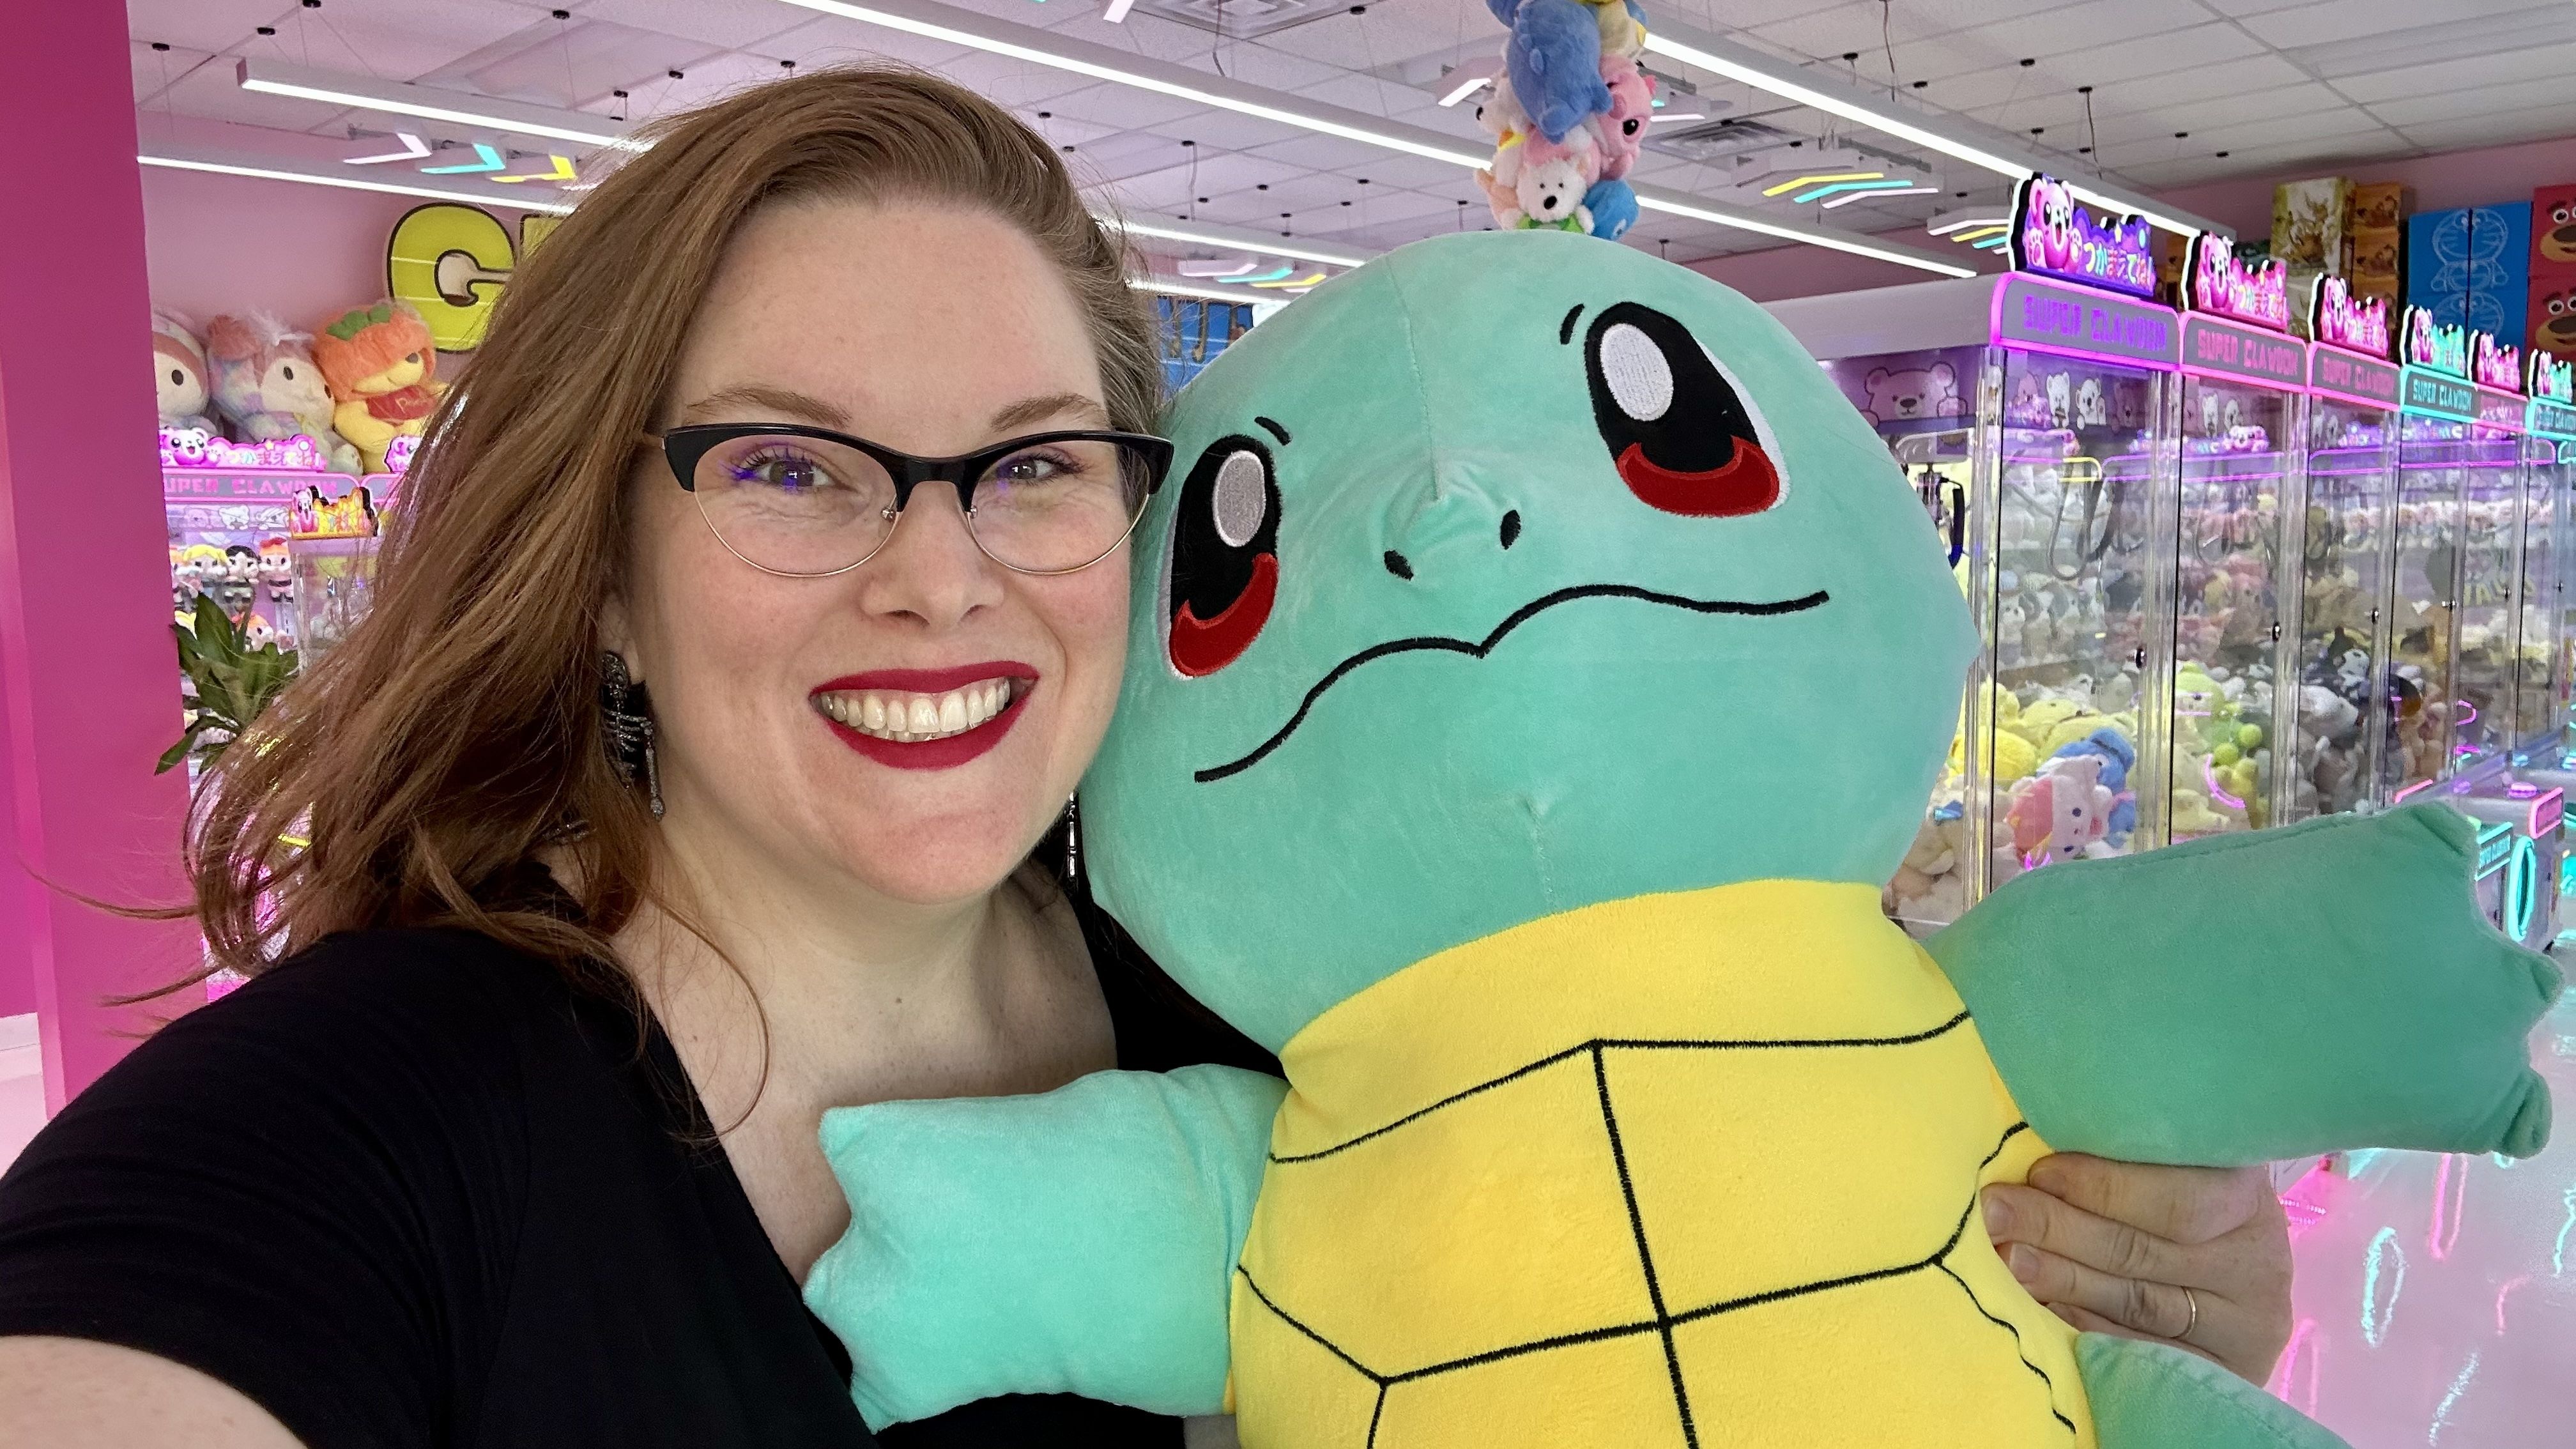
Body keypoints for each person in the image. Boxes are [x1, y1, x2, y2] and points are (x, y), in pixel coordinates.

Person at [0, 67, 2293, 1448]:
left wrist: (2117, 1279)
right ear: (604, 564)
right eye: (795, 466)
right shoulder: (359, 1127)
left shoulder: (1307, 1000)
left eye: (1031, 464)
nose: (939, 576)